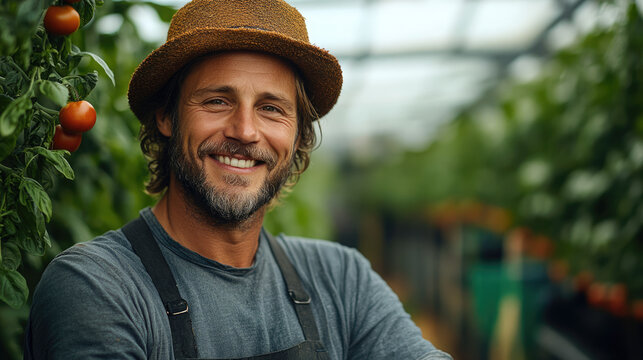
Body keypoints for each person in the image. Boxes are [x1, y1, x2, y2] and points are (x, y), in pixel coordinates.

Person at [24, 0, 452, 359]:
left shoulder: (342, 279)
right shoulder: (99, 287)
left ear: (298, 134)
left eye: (271, 108)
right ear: (167, 116)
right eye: (216, 100)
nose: (245, 131)